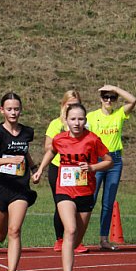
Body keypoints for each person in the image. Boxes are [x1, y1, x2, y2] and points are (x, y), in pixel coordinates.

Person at [33, 103, 113, 271]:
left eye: (80, 119)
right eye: (73, 119)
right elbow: (52, 151)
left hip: (85, 192)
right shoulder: (60, 139)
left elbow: (109, 161)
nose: (77, 123)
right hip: (65, 190)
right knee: (70, 229)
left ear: (85, 120)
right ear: (66, 121)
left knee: (76, 240)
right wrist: (40, 170)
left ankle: (69, 260)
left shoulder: (93, 139)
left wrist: (92, 168)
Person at [0, 92, 37, 271]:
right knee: (0, 235)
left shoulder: (26, 132)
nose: (13, 112)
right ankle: (2, 240)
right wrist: (8, 160)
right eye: (10, 109)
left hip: (20, 189)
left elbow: (25, 152)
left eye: (16, 109)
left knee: (15, 230)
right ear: (2, 110)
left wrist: (33, 169)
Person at [87, 85, 136, 250]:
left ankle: (103, 239)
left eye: (112, 98)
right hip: (98, 160)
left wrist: (115, 88)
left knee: (108, 202)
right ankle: (77, 238)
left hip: (115, 161)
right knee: (90, 200)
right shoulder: (92, 117)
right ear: (100, 99)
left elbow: (133, 100)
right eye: (105, 97)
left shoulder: (119, 114)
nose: (108, 100)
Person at [45, 90, 89, 254]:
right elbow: (48, 147)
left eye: (76, 105)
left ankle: (76, 240)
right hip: (59, 168)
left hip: (78, 169)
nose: (72, 108)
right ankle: (60, 238)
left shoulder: (84, 124)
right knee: (61, 203)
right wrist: (65, 141)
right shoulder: (56, 124)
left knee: (78, 204)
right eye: (69, 105)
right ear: (63, 106)